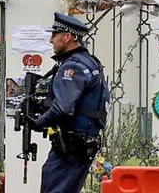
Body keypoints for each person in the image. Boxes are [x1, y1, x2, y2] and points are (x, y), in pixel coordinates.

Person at [29, 13, 109, 193]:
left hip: (71, 147)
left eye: (54, 35)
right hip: (79, 146)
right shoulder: (89, 62)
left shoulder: (72, 67)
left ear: (67, 37)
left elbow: (62, 108)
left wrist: (38, 122)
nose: (51, 40)